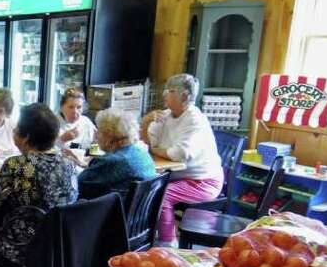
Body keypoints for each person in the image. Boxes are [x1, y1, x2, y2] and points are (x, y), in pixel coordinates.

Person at [0, 103, 77, 267]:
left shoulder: (16, 164)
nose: (14, 131)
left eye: (17, 128)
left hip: (20, 250)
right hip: (57, 249)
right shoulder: (68, 164)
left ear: (26, 137)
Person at [142, 73, 223, 245]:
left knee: (161, 193)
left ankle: (167, 244)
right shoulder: (167, 114)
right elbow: (147, 143)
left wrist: (156, 149)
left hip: (203, 181)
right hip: (178, 176)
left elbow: (181, 154)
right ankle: (150, 235)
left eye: (169, 91)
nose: (164, 94)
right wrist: (145, 123)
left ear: (184, 96)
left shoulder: (195, 119)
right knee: (146, 186)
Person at [77, 108, 156, 199]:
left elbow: (75, 186)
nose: (96, 135)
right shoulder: (142, 153)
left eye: (98, 131)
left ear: (109, 136)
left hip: (110, 212)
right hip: (138, 211)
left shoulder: (110, 161)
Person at [57, 88, 97, 167]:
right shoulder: (52, 123)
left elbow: (96, 145)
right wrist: (61, 140)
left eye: (79, 107)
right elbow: (42, 152)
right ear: (62, 107)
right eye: (71, 107)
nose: (75, 111)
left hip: (83, 167)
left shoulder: (86, 122)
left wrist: (92, 159)